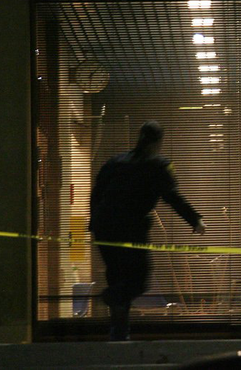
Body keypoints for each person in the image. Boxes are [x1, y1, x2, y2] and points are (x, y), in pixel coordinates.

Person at [89, 121, 206, 341]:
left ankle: (119, 331)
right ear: (158, 143)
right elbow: (172, 197)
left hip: (104, 228)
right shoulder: (157, 165)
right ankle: (112, 301)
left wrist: (93, 224)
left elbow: (97, 193)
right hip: (131, 228)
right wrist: (195, 220)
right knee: (139, 279)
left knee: (117, 277)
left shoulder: (115, 162)